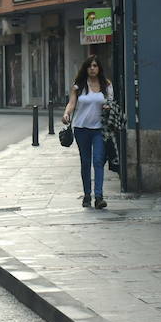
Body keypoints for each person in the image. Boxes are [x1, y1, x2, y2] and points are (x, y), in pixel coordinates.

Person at [62, 55, 113, 209]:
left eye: (95, 66)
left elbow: (110, 102)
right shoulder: (79, 86)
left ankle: (99, 196)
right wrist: (67, 114)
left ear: (99, 68)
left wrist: (108, 107)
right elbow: (71, 103)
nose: (92, 68)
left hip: (99, 129)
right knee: (85, 162)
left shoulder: (107, 85)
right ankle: (87, 195)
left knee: (98, 161)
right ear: (86, 68)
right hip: (81, 128)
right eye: (90, 66)